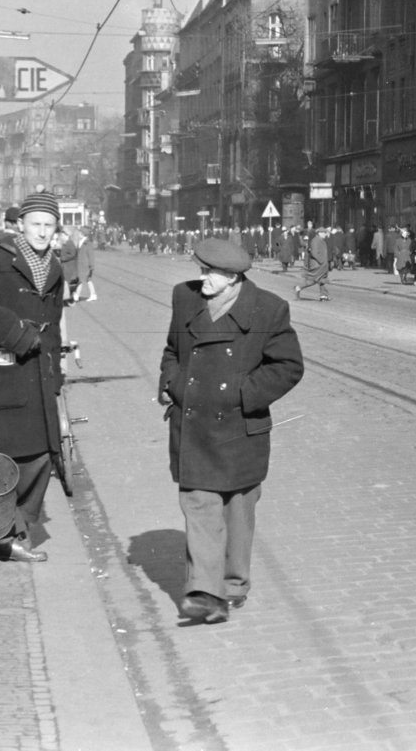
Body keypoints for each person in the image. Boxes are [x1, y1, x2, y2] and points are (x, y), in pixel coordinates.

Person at [159, 237, 304, 624]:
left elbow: (288, 366)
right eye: (201, 270)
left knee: (238, 510)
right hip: (195, 425)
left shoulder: (268, 310)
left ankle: (234, 585)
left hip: (240, 424)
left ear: (233, 277)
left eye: (209, 273)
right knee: (199, 503)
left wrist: (242, 392)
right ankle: (206, 592)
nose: (201, 278)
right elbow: (172, 351)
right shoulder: (184, 298)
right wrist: (174, 383)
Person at [0, 193, 70, 561]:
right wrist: (17, 334)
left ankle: (14, 534)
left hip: (37, 370)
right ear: (20, 224)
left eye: (48, 226)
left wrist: (55, 368)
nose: (41, 232)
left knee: (39, 455)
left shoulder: (55, 266)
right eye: (35, 224)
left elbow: (52, 322)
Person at [294, 227, 331, 301]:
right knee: (314, 280)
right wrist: (322, 261)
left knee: (322, 279)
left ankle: (323, 295)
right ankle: (298, 287)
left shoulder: (322, 240)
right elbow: (314, 253)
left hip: (322, 265)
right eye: (324, 233)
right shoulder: (315, 241)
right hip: (317, 264)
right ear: (319, 233)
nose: (325, 234)